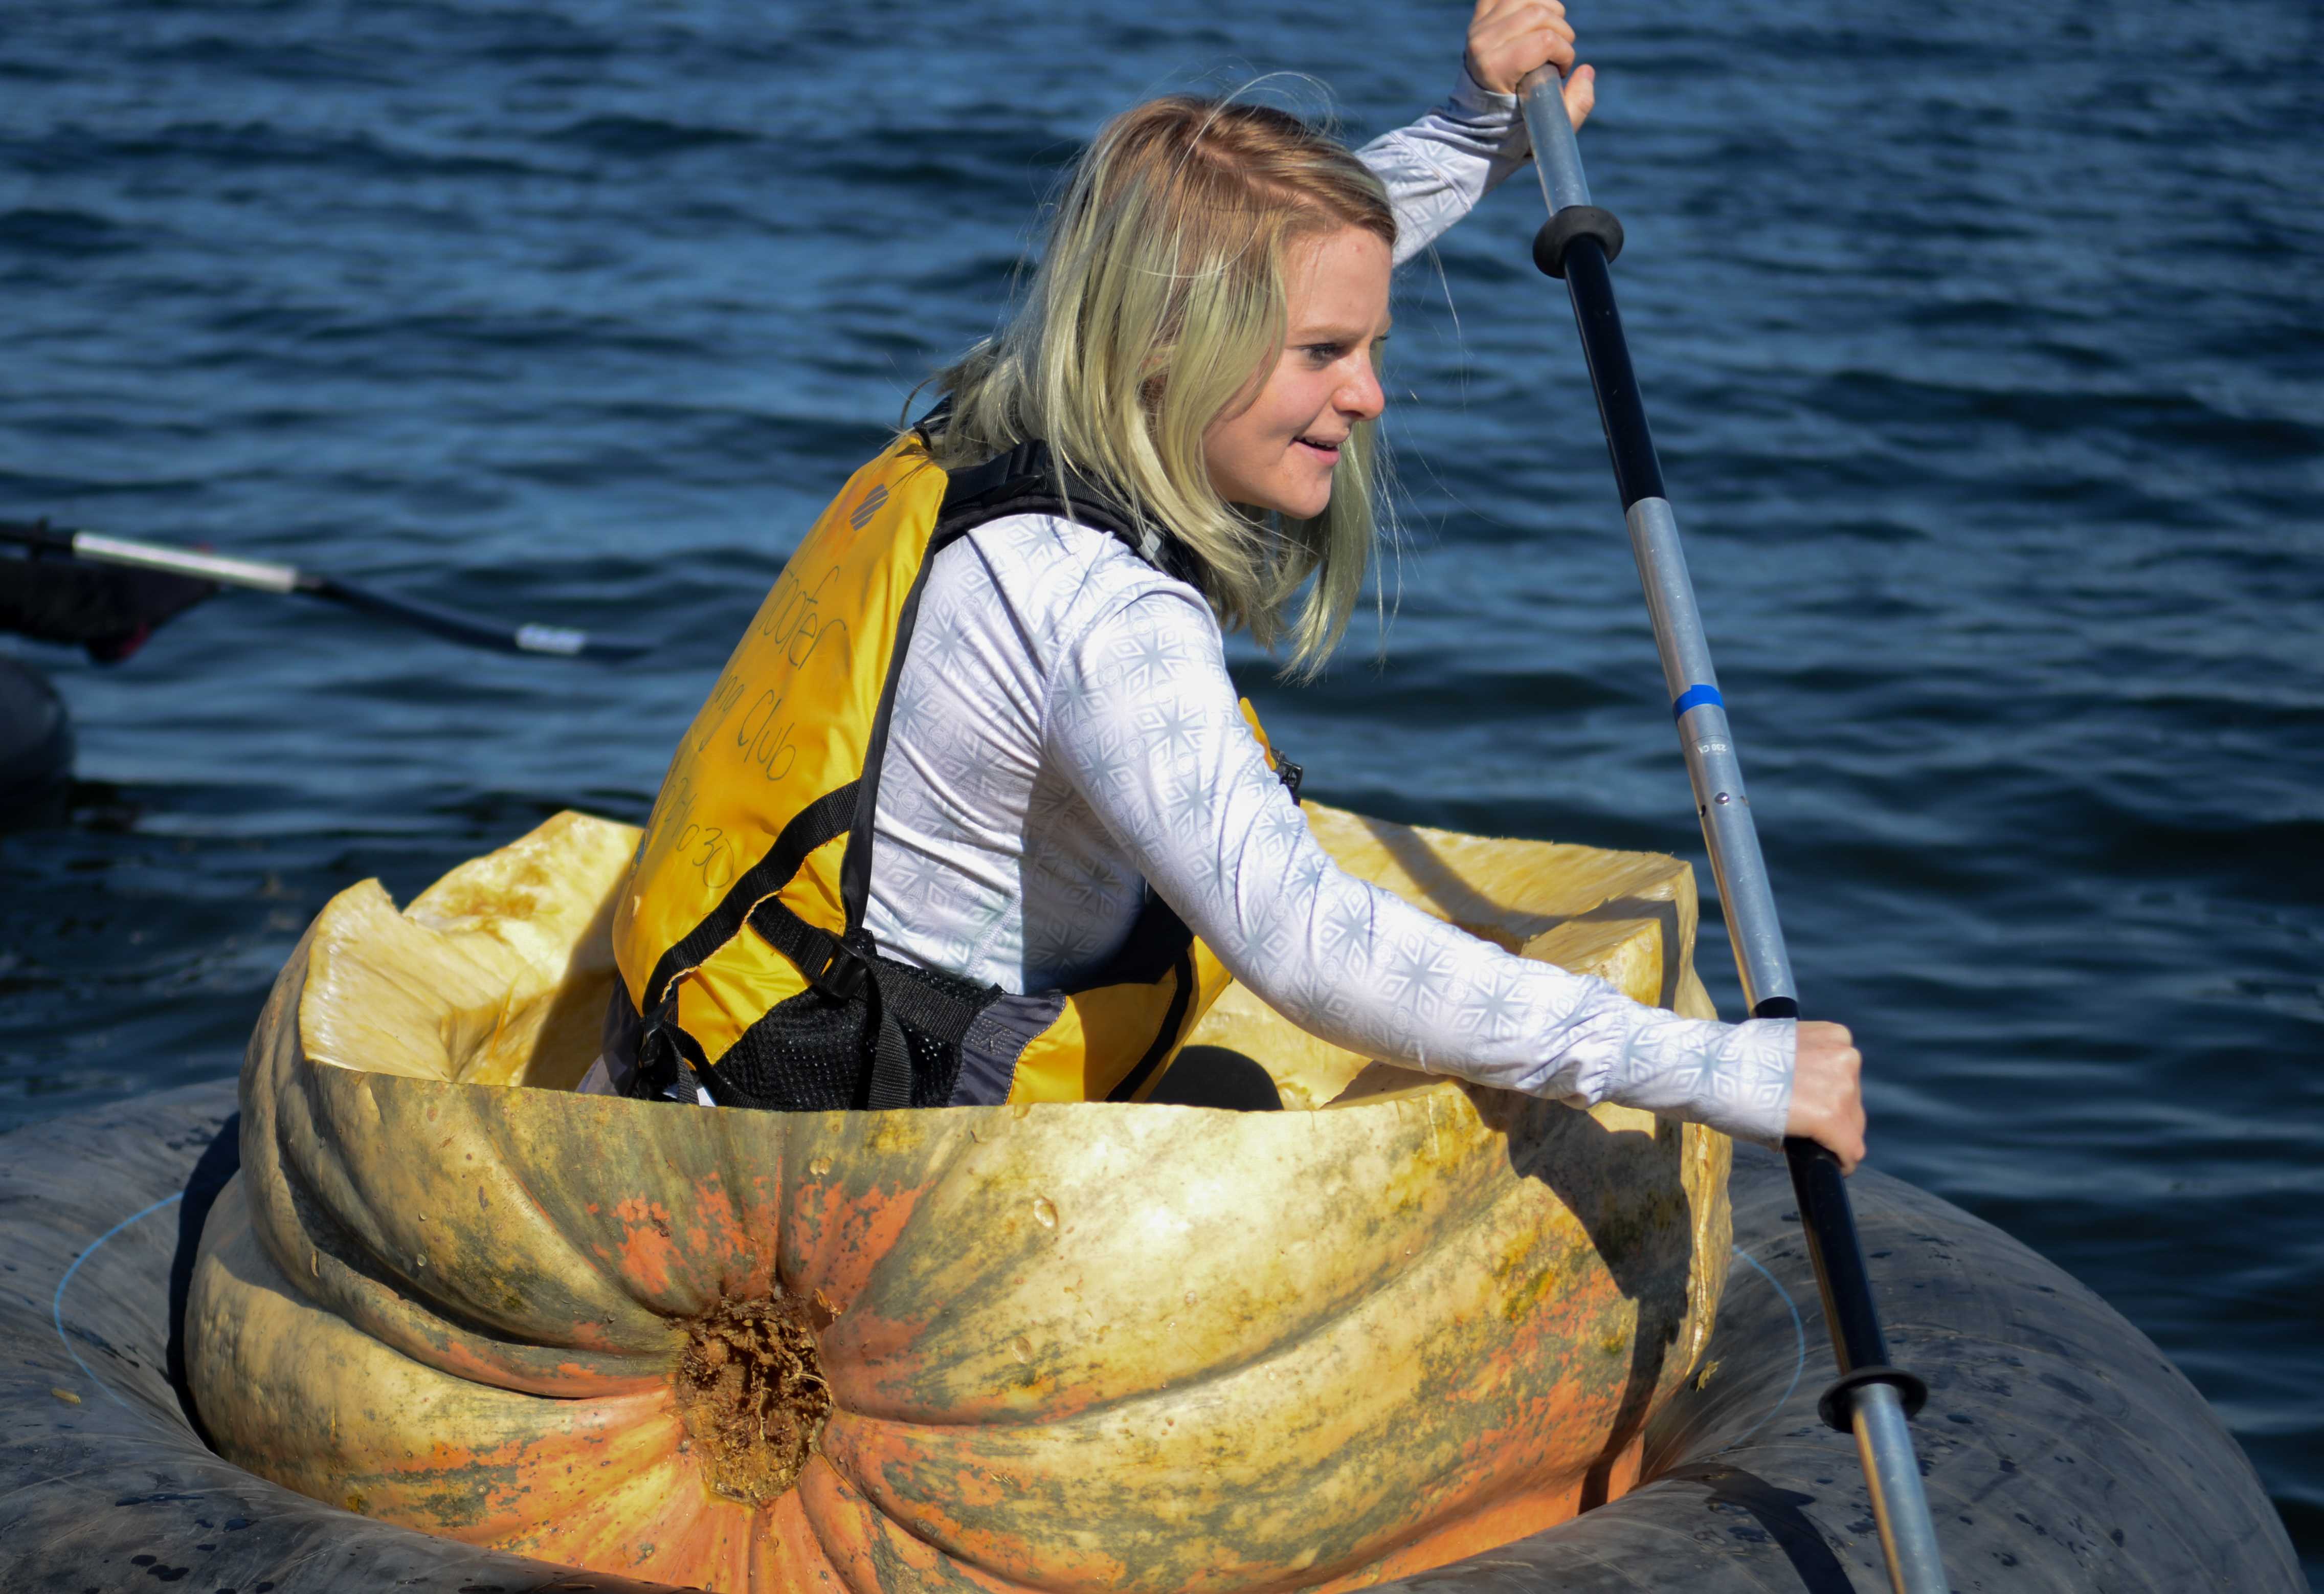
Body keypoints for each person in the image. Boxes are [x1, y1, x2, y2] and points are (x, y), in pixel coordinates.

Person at [588, 0, 1868, 1171]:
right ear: (1173, 346)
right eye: (1324, 354)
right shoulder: (1101, 610)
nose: (1367, 394)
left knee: (1220, 1072)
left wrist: (1477, 133)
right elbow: (1307, 942)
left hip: (709, 1052)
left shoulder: (992, 413)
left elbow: (1285, 262)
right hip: (836, 1152)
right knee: (1244, 1106)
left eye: (1371, 345)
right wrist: (1711, 1066)